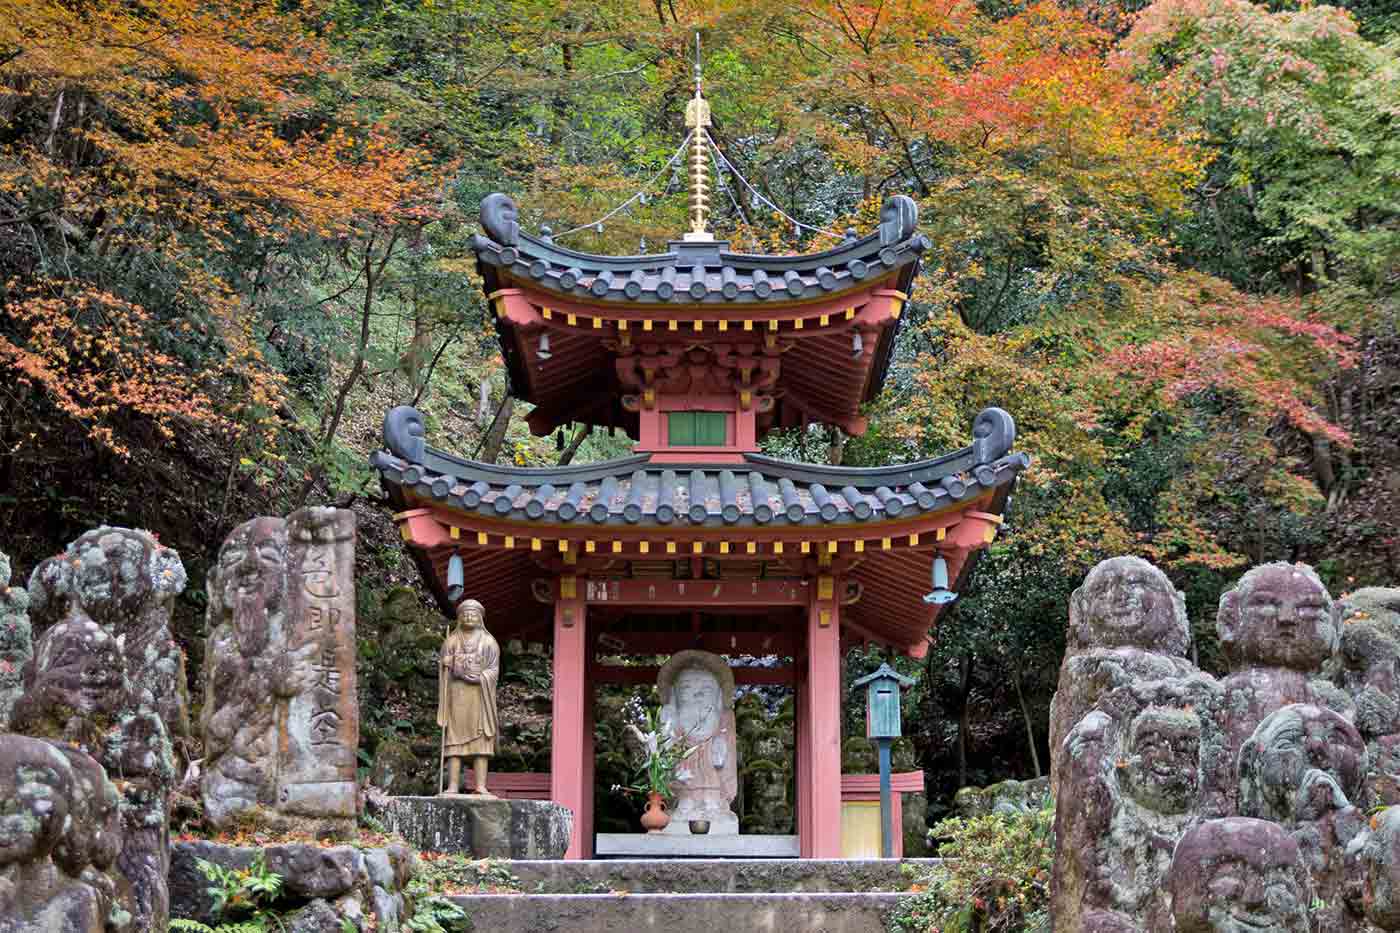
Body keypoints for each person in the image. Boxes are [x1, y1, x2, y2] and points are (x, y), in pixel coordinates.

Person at [437, 599, 500, 796]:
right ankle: (453, 786)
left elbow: (494, 670)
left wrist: (479, 677)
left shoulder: (489, 642)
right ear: (459, 617)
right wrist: (445, 665)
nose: (469, 617)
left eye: (473, 614)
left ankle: (480, 786)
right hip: (457, 695)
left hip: (479, 696)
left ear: (480, 618)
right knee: (454, 742)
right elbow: (443, 669)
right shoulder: (452, 641)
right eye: (465, 614)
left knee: (481, 742)